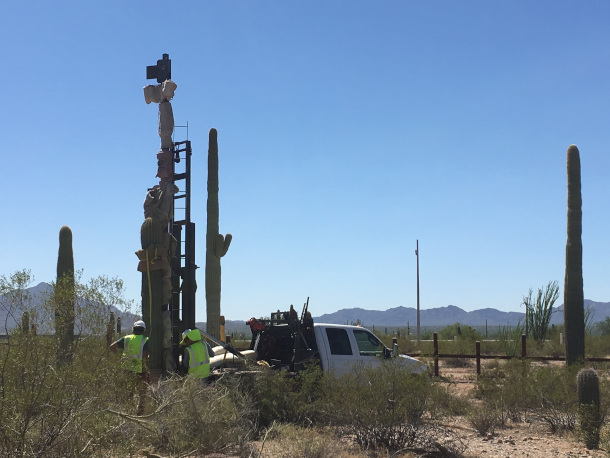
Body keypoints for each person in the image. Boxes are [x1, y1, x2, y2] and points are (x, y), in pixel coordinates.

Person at [109, 320, 149, 414]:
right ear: (143, 330)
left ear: (133, 329)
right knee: (142, 391)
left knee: (128, 391)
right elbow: (145, 355)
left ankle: (127, 411)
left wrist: (119, 358)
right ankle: (140, 412)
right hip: (139, 369)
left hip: (126, 368)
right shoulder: (145, 340)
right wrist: (144, 367)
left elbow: (111, 347)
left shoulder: (126, 338)